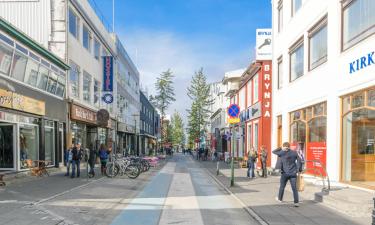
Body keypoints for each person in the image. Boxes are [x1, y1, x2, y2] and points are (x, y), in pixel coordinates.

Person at [273, 142, 303, 207]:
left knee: (282, 187)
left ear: (284, 147)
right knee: (294, 188)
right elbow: (299, 160)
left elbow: (274, 151)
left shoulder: (281, 153)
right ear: (289, 146)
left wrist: (281, 148)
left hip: (284, 173)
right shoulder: (294, 152)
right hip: (293, 173)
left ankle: (280, 199)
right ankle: (296, 202)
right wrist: (298, 170)